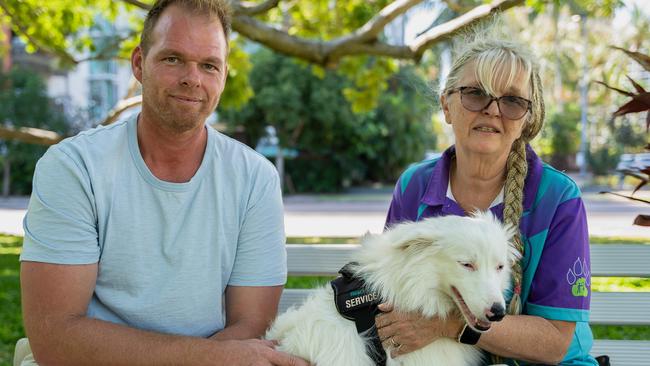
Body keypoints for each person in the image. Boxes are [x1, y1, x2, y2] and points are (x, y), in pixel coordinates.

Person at [16, 1, 308, 365]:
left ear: (223, 74)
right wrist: (207, 359)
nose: (192, 78)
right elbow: (55, 337)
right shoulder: (74, 168)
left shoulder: (254, 179)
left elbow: (250, 324)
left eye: (208, 65)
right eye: (173, 59)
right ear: (139, 63)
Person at [375, 23, 598, 365]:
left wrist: (448, 325)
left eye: (511, 100)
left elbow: (555, 342)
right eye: (476, 93)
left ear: (527, 118)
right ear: (446, 105)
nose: (493, 110)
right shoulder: (413, 186)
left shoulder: (557, 197)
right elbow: (387, 296)